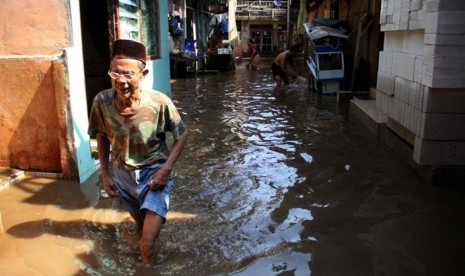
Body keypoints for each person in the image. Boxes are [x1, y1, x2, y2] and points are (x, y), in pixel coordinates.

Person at [88, 39, 188, 265]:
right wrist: (105, 175)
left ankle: (148, 263)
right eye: (115, 74)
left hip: (154, 176)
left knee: (147, 243)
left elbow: (182, 134)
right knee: (142, 228)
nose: (121, 81)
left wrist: (166, 170)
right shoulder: (101, 102)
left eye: (128, 74)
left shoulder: (159, 102)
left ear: (142, 74)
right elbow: (101, 136)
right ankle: (152, 256)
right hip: (122, 176)